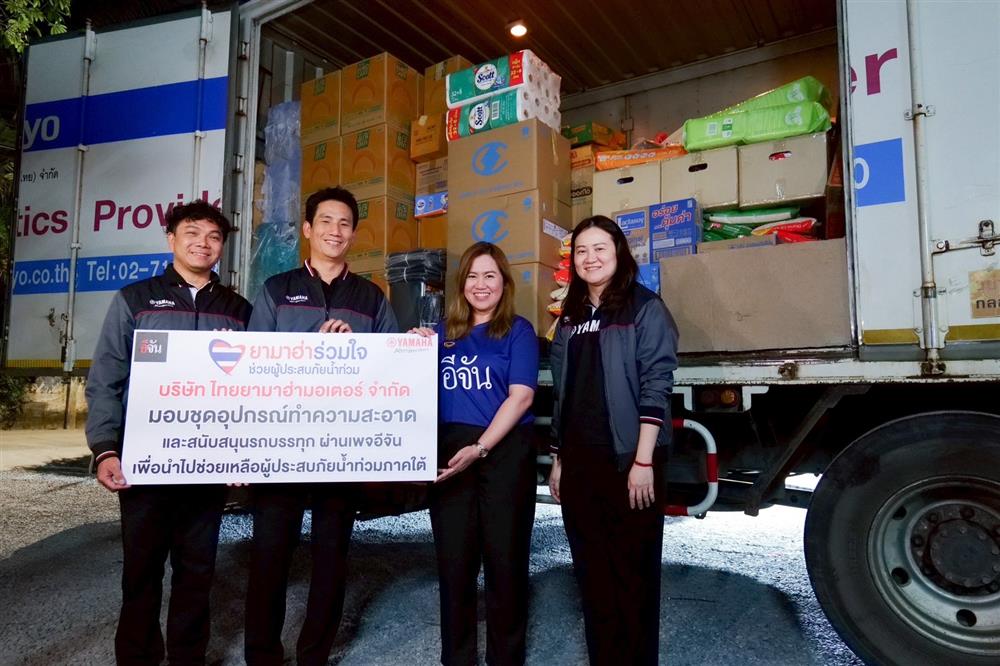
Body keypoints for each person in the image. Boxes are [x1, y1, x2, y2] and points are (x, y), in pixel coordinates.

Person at [85, 200, 252, 665]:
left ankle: (187, 658)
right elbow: (106, 379)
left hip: (207, 465)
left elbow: (255, 387)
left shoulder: (239, 309)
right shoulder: (135, 299)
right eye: (192, 233)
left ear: (222, 247)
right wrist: (105, 449)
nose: (203, 243)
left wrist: (244, 452)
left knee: (197, 573)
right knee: (140, 574)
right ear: (171, 240)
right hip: (145, 466)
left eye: (214, 237)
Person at [244, 186, 398, 666]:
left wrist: (397, 347)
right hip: (282, 446)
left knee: (331, 557)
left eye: (345, 223)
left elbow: (391, 369)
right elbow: (253, 367)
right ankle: (262, 656)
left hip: (341, 449)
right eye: (326, 221)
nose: (336, 231)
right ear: (308, 230)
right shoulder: (276, 290)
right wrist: (313, 347)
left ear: (353, 234)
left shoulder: (371, 297)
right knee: (270, 556)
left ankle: (315, 655)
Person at [547, 215, 679, 666]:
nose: (590, 258)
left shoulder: (644, 307)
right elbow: (564, 392)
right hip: (581, 463)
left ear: (619, 252)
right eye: (581, 251)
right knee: (592, 574)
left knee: (633, 574)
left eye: (599, 248)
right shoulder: (570, 316)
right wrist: (559, 458)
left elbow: (657, 384)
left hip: (629, 462)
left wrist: (643, 462)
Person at [410, 242, 539, 666]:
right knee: (454, 565)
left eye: (490, 276)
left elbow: (521, 397)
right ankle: (457, 658)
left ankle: (506, 658)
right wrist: (409, 348)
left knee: (505, 562)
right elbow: (407, 382)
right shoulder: (441, 333)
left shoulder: (518, 331)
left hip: (503, 451)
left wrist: (481, 447)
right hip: (451, 453)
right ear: (461, 283)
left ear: (504, 283)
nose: (481, 285)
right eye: (472, 276)